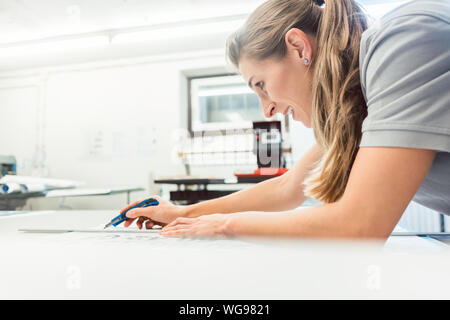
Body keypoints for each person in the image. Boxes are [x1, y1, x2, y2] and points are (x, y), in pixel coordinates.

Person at [122, 0, 450, 239]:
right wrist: (184, 213)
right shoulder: (355, 97)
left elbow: (361, 224)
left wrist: (224, 225)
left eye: (260, 85)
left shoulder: (403, 41)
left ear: (298, 46)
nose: (267, 110)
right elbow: (287, 189)